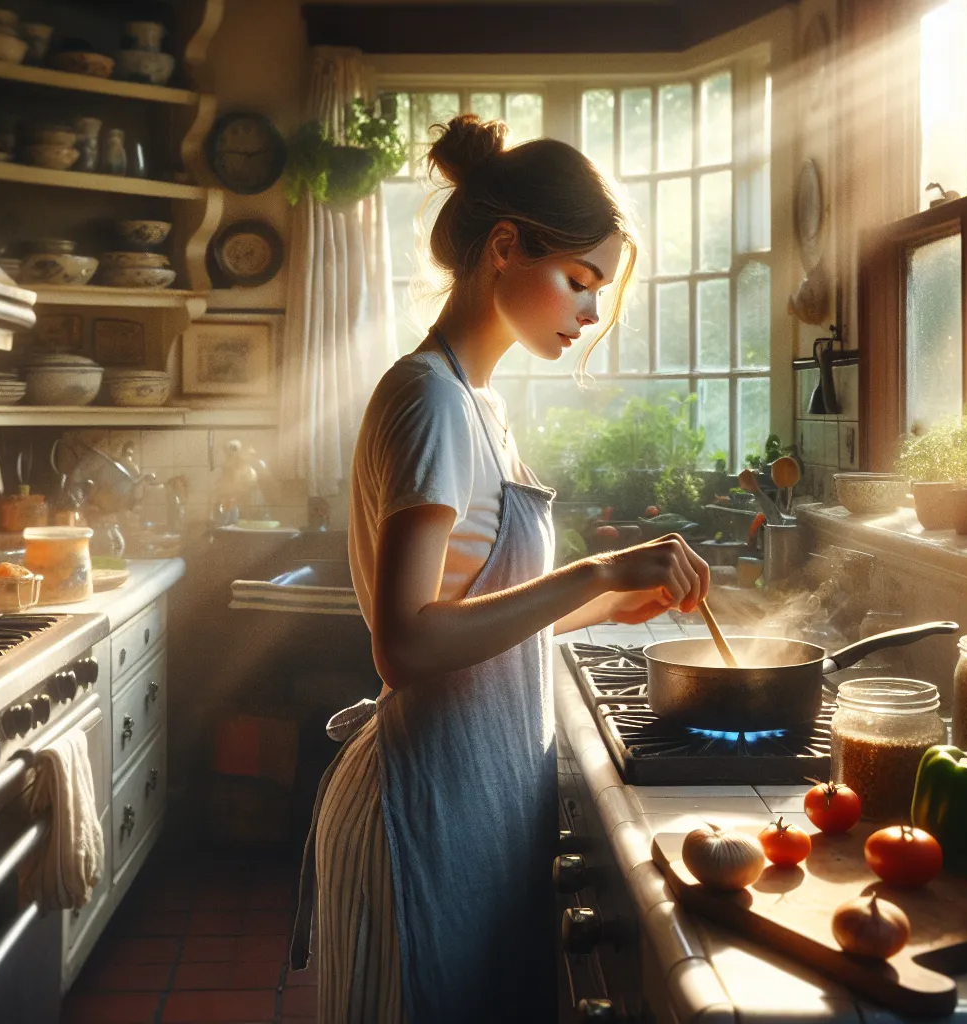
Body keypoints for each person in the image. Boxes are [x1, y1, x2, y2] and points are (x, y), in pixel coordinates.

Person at [288, 114, 712, 1023]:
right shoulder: (431, 402)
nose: (591, 312)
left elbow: (469, 618)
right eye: (579, 280)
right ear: (506, 246)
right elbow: (405, 645)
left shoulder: (478, 398)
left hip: (471, 803)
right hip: (422, 811)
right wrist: (595, 571)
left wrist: (603, 609)